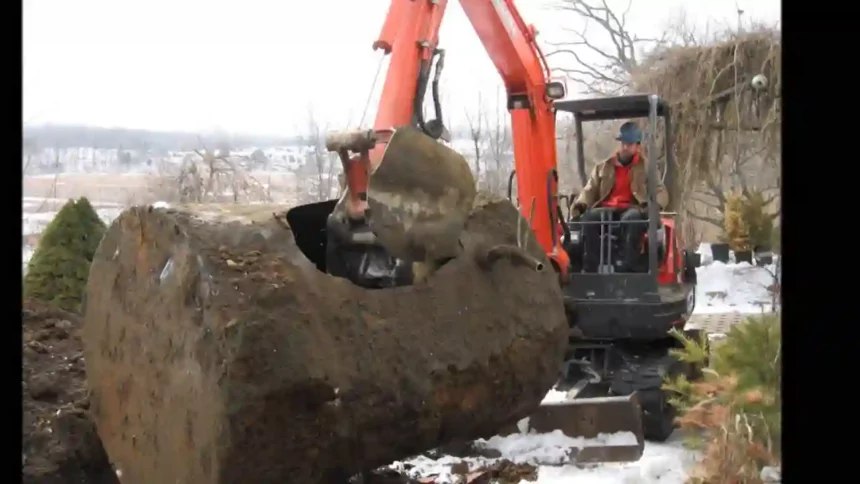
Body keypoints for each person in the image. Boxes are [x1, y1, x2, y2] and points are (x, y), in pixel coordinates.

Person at [569, 121, 669, 272]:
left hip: (632, 208)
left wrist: (654, 206)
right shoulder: (604, 167)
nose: (625, 147)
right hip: (607, 208)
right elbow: (590, 189)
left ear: (637, 146)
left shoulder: (647, 168)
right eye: (623, 143)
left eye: (629, 144)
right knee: (589, 218)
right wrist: (581, 204)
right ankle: (591, 265)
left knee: (633, 219)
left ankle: (627, 265)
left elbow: (660, 191)